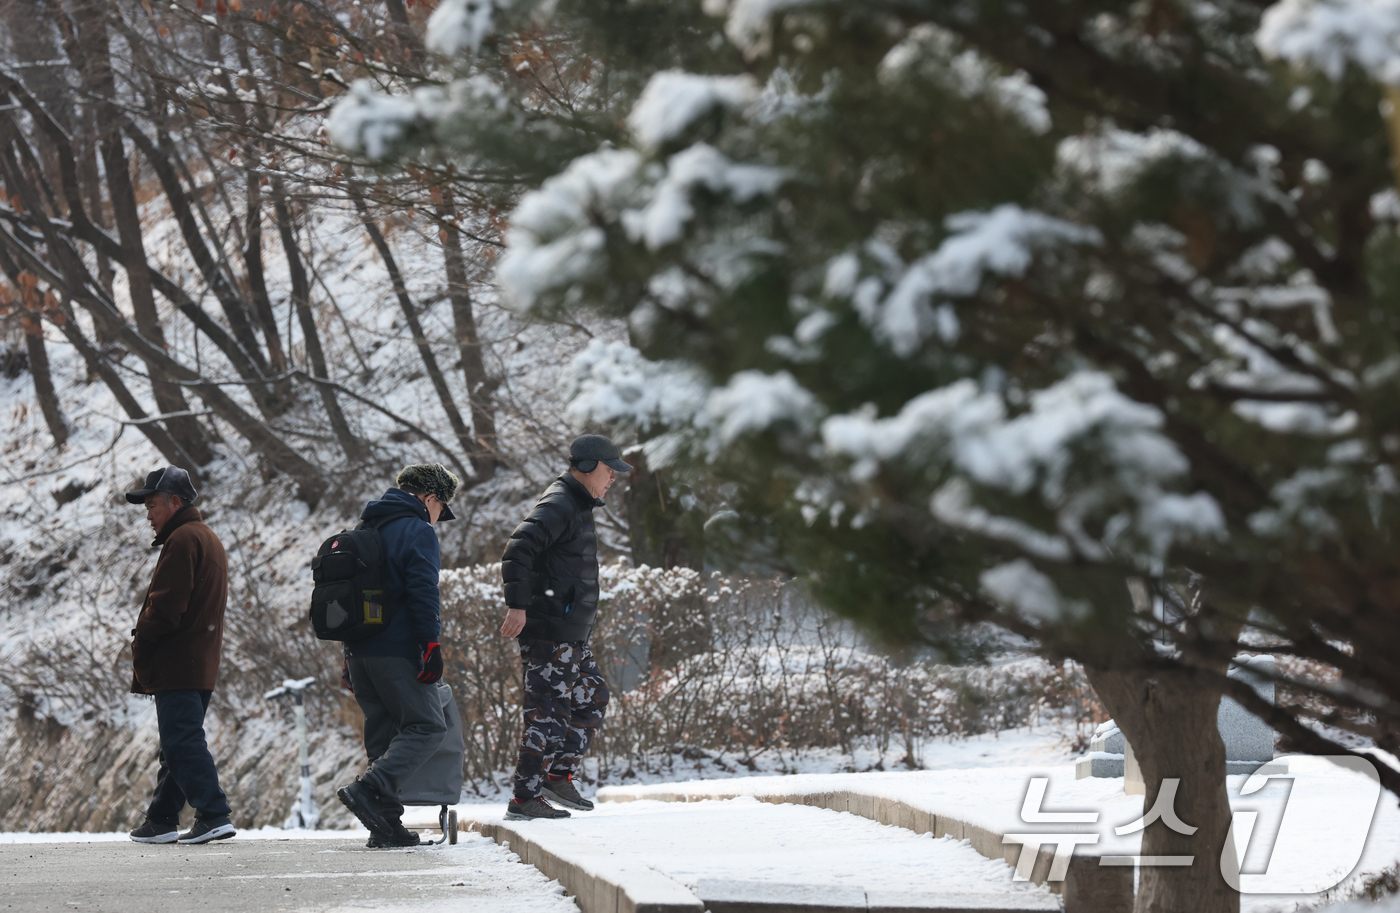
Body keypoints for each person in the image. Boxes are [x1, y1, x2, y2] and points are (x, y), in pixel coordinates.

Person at [499, 434, 626, 820]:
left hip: (569, 633)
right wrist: (517, 606)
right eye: (609, 470)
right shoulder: (560, 503)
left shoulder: (578, 503)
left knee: (592, 697)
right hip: (548, 632)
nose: (613, 479)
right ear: (588, 467)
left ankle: (556, 776)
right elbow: (518, 548)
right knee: (546, 714)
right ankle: (524, 799)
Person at [336, 463, 458, 848]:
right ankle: (371, 789)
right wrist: (430, 644)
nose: (438, 518)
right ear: (430, 498)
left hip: (360, 653)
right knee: (427, 726)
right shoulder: (417, 530)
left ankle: (385, 827)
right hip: (399, 648)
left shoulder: (365, 529)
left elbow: (350, 599)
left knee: (384, 734)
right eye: (441, 508)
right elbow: (423, 590)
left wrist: (346, 659)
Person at [124, 466, 236, 845]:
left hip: (179, 661)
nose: (148, 514)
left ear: (175, 502)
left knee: (181, 741)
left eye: (153, 505)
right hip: (198, 660)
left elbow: (167, 606)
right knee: (178, 741)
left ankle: (213, 813)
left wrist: (142, 641)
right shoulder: (205, 537)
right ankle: (161, 819)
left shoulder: (184, 539)